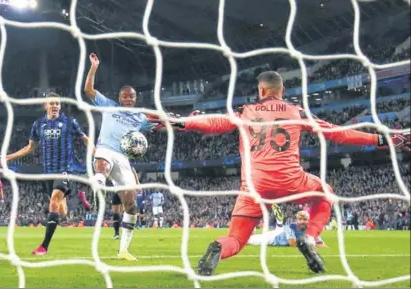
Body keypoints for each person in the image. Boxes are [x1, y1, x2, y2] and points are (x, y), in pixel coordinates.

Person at [152, 71, 410, 274]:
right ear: (282, 91)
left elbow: (215, 122)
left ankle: (220, 247)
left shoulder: (246, 112)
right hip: (291, 182)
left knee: (237, 239)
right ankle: (310, 238)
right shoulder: (297, 112)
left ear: (260, 90)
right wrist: (381, 140)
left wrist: (183, 122)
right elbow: (336, 133)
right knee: (326, 194)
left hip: (253, 187)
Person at [85, 53, 158, 261]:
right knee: (103, 162)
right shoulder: (108, 105)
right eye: (125, 96)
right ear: (119, 98)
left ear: (135, 99)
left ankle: (124, 250)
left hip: (124, 158)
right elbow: (88, 90)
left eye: (131, 97)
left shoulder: (140, 118)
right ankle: (98, 180)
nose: (128, 99)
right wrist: (94, 67)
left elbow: (160, 122)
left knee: (132, 205)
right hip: (105, 150)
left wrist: (183, 121)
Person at [0, 93, 93, 255]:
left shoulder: (69, 123)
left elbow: (85, 139)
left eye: (57, 103)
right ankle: (78, 197)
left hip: (64, 169)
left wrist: (97, 155)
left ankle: (44, 246)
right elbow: (30, 147)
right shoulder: (38, 124)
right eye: (52, 103)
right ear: (46, 105)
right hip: (46, 172)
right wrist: (9, 157)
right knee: (62, 211)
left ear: (60, 106)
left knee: (54, 203)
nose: (55, 106)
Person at [247, 211, 326, 247]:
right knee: (248, 240)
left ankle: (279, 223)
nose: (302, 221)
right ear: (296, 220)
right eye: (300, 219)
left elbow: (322, 244)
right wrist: (311, 242)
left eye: (304, 219)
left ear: (308, 221)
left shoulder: (312, 229)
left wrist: (314, 242)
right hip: (273, 238)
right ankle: (250, 226)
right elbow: (292, 243)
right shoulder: (291, 227)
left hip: (280, 232)